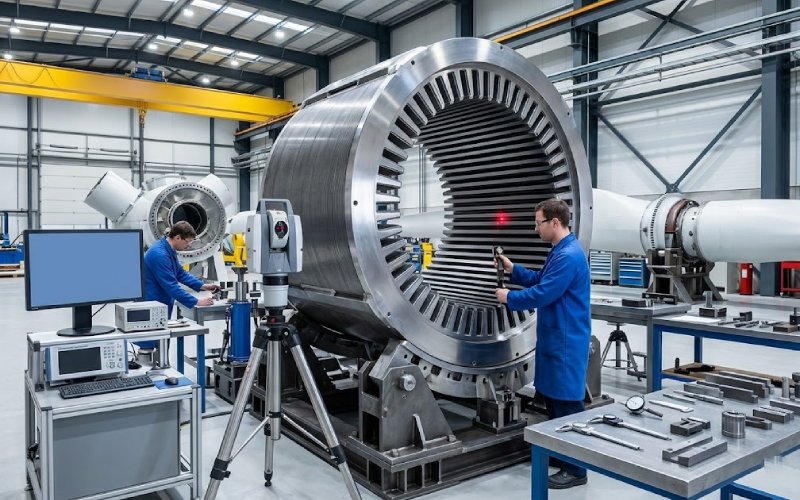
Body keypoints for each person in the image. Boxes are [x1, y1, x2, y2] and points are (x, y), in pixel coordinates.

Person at [494, 198, 591, 490]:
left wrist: (509, 298)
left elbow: (545, 292)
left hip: (566, 341)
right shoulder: (559, 251)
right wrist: (513, 269)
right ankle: (563, 454)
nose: (536, 228)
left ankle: (576, 469)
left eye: (538, 223)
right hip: (554, 337)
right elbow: (539, 278)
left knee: (567, 404)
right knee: (552, 399)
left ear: (555, 223)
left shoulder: (570, 255)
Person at [138, 221, 219, 349]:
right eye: (187, 242)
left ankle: (161, 364)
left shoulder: (168, 249)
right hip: (152, 304)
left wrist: (202, 286)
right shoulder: (159, 255)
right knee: (150, 346)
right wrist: (195, 301)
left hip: (162, 303)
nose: (188, 245)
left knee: (162, 344)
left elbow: (180, 273)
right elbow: (171, 286)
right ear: (177, 237)